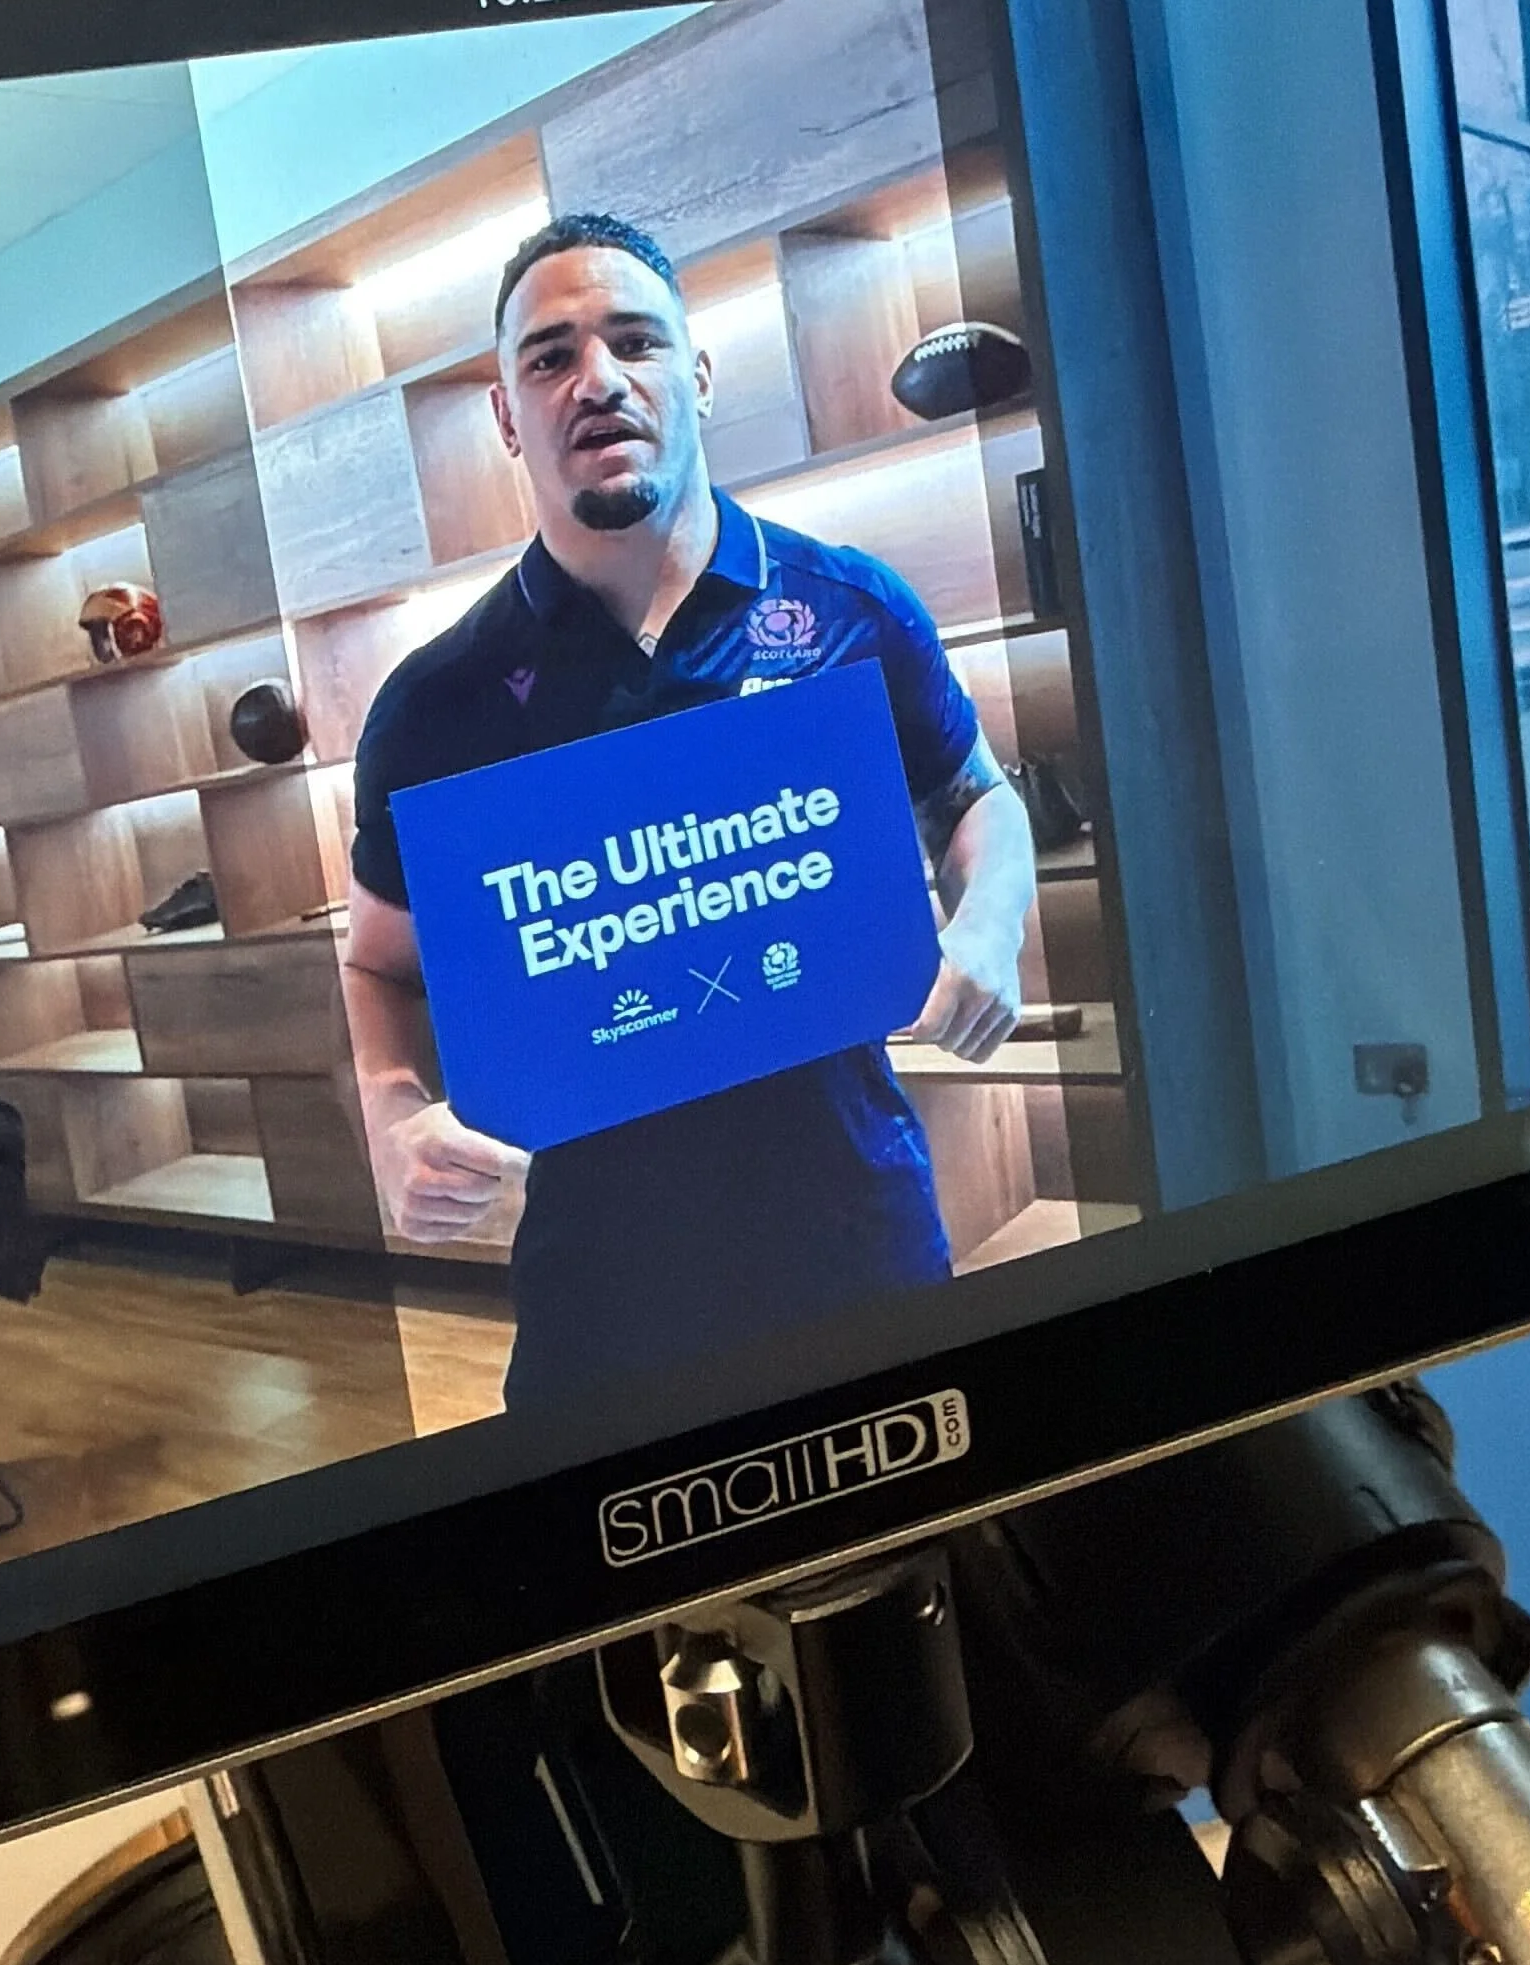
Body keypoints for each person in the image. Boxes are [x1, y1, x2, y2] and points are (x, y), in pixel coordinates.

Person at [342, 210, 1037, 1408]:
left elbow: (982, 800)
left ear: (699, 376)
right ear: (509, 417)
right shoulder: (433, 707)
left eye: (635, 340)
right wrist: (390, 1114)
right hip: (598, 1304)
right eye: (549, 357)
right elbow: (377, 968)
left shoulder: (850, 609)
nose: (596, 380)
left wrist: (988, 924)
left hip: (859, 1245)